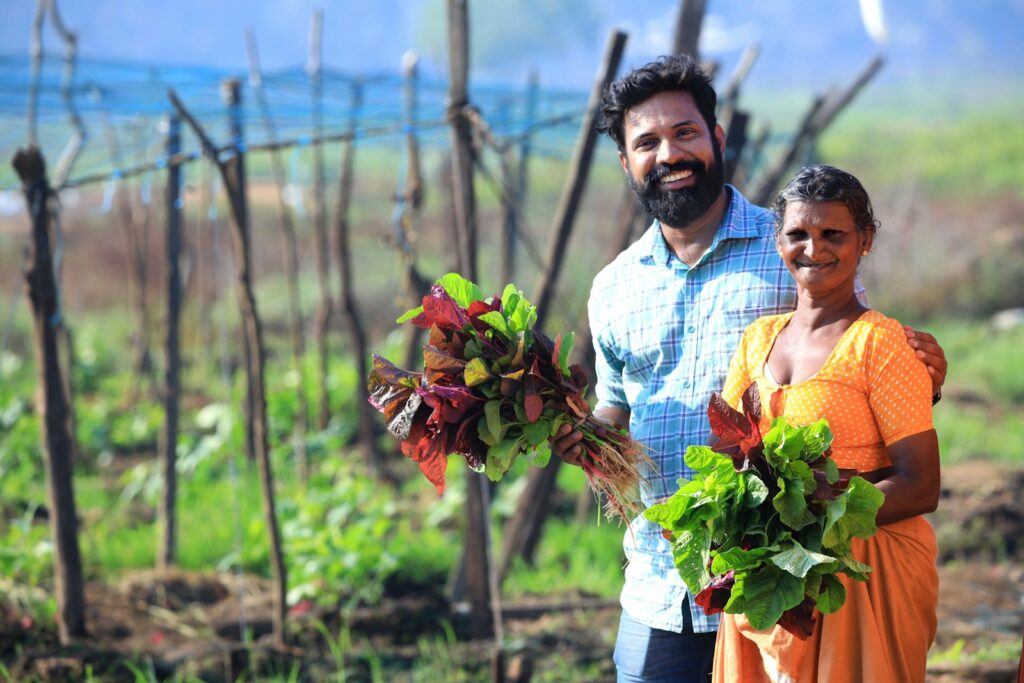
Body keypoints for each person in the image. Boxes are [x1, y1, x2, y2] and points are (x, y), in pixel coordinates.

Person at [549, 55, 948, 683]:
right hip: (661, 580)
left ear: (717, 138)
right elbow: (616, 405)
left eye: (684, 132)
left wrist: (924, 367)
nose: (669, 154)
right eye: (646, 142)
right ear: (627, 163)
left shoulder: (793, 242)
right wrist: (588, 438)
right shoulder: (613, 286)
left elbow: (863, 362)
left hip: (778, 580)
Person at [712, 164, 940, 682]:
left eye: (832, 234)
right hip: (774, 568)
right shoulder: (757, 339)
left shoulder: (880, 344)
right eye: (798, 234)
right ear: (778, 241)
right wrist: (757, 511)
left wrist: (815, 504)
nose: (814, 248)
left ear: (865, 240)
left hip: (862, 571)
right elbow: (725, 451)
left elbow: (921, 484)